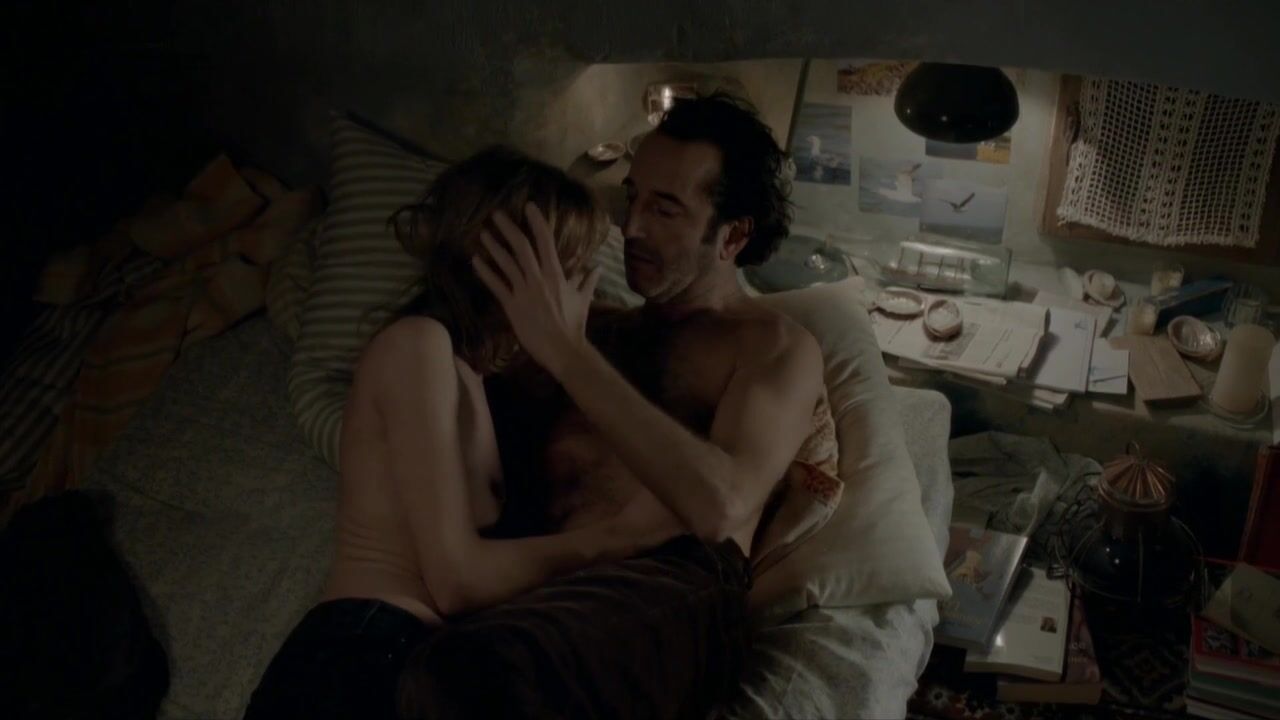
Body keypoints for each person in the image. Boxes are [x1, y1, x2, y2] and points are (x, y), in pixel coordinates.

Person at [398, 93, 833, 719]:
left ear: (734, 235)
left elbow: (721, 506)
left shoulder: (772, 345)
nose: (629, 229)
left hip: (666, 585)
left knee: (467, 675)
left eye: (665, 208)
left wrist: (566, 353)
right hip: (531, 574)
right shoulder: (590, 327)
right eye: (633, 198)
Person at [243, 146, 680, 720]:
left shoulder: (484, 378)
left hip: (426, 663)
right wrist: (621, 538)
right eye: (573, 267)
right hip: (362, 652)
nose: (586, 288)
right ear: (511, 266)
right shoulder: (417, 346)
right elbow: (455, 579)